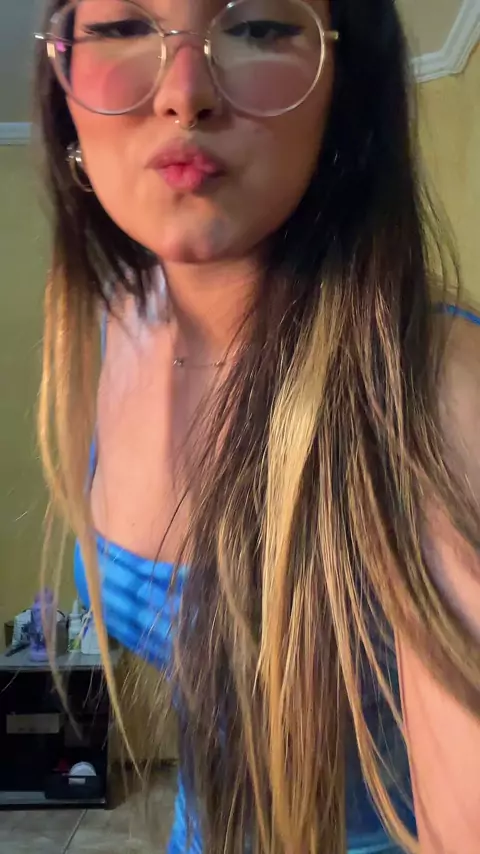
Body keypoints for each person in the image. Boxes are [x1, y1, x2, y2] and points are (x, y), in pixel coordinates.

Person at [33, 0, 480, 852]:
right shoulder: (118, 319)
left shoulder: (437, 392)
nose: (184, 90)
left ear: (344, 85)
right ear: (61, 81)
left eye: (259, 27)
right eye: (123, 27)